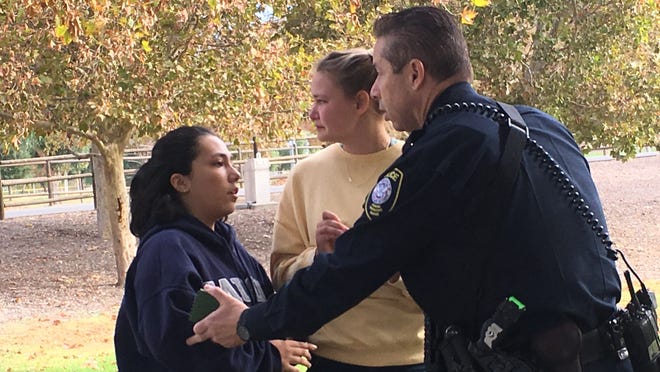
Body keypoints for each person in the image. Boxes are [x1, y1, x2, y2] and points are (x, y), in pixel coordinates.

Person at [186, 7, 633, 372]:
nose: (377, 92)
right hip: (611, 353)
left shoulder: (442, 150)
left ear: (415, 74)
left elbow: (350, 271)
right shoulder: (539, 125)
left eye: (380, 73)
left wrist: (249, 323)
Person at [113, 126, 316, 371]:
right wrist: (269, 357)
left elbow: (270, 316)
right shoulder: (165, 251)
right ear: (180, 182)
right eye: (219, 164)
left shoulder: (232, 249)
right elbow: (182, 347)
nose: (235, 174)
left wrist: (322, 260)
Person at [270, 49, 425, 371]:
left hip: (411, 359)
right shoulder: (304, 175)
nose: (312, 113)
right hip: (323, 358)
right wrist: (321, 257)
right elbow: (279, 273)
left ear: (359, 103)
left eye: (322, 101)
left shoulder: (417, 167)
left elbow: (453, 280)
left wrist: (387, 266)